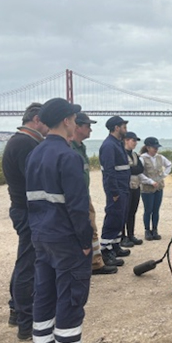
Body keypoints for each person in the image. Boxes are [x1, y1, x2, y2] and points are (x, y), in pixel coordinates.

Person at [26, 98, 107, 343]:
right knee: (70, 298)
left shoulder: (34, 154)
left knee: (45, 295)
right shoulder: (69, 156)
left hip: (42, 237)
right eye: (74, 119)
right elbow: (77, 206)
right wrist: (86, 242)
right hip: (66, 240)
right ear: (66, 121)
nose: (76, 123)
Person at [2, 102, 48, 340]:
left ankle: (15, 309)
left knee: (25, 259)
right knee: (28, 263)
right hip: (27, 210)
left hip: (23, 209)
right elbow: (35, 179)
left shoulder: (22, 141)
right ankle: (25, 320)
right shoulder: (24, 143)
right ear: (37, 119)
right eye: (47, 121)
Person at [70, 112, 118, 275]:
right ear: (77, 127)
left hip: (84, 194)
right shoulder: (70, 148)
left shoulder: (80, 147)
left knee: (91, 228)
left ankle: (95, 262)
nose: (90, 130)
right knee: (87, 228)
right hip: (77, 197)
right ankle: (92, 264)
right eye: (88, 126)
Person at [99, 116, 132, 265]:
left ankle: (115, 245)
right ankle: (106, 250)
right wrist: (114, 192)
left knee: (120, 217)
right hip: (117, 189)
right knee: (113, 217)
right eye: (123, 126)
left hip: (123, 187)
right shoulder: (108, 146)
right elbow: (109, 171)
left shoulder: (117, 144)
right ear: (116, 128)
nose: (126, 129)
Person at [138, 137, 172, 241]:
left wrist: (163, 176)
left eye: (156, 147)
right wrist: (150, 181)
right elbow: (139, 173)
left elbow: (169, 165)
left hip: (158, 187)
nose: (156, 149)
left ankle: (155, 229)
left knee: (156, 210)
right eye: (154, 147)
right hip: (147, 188)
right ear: (148, 147)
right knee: (148, 210)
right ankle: (147, 230)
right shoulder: (142, 158)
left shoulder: (160, 157)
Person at [121, 131, 144, 247]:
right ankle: (122, 236)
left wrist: (132, 169)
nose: (135, 143)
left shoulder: (134, 155)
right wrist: (133, 169)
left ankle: (131, 234)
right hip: (126, 186)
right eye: (133, 140)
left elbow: (141, 169)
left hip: (136, 186)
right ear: (126, 140)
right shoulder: (121, 154)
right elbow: (127, 170)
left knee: (132, 212)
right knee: (124, 212)